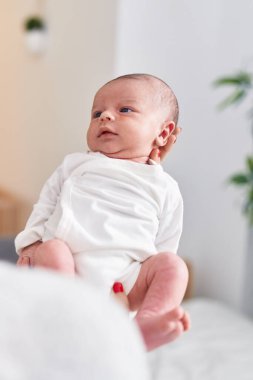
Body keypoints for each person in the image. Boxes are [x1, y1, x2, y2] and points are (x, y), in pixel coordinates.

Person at [16, 73, 190, 351]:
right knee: (50, 250)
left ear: (163, 133)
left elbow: (166, 242)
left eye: (125, 109)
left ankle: (142, 326)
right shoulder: (75, 164)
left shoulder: (163, 185)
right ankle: (70, 316)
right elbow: (45, 205)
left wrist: (144, 288)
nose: (105, 116)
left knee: (174, 267)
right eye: (97, 112)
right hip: (71, 266)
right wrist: (31, 245)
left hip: (127, 279)